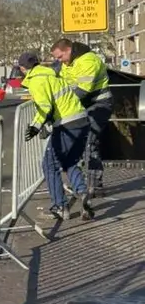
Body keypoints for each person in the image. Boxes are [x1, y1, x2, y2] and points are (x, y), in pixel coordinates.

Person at [18, 52, 94, 221]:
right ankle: (82, 193)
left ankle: (60, 207)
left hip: (67, 124)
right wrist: (48, 123)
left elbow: (44, 106)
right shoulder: (53, 74)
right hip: (81, 119)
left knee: (49, 165)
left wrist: (35, 126)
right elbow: (58, 102)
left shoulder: (37, 80)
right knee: (70, 161)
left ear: (23, 69)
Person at [50, 38, 112, 198]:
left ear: (68, 50)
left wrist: (60, 104)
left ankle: (92, 186)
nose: (58, 61)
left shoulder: (88, 61)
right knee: (88, 142)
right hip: (82, 105)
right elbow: (62, 82)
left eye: (59, 57)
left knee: (89, 140)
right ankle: (94, 183)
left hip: (99, 104)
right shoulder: (67, 63)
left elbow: (82, 91)